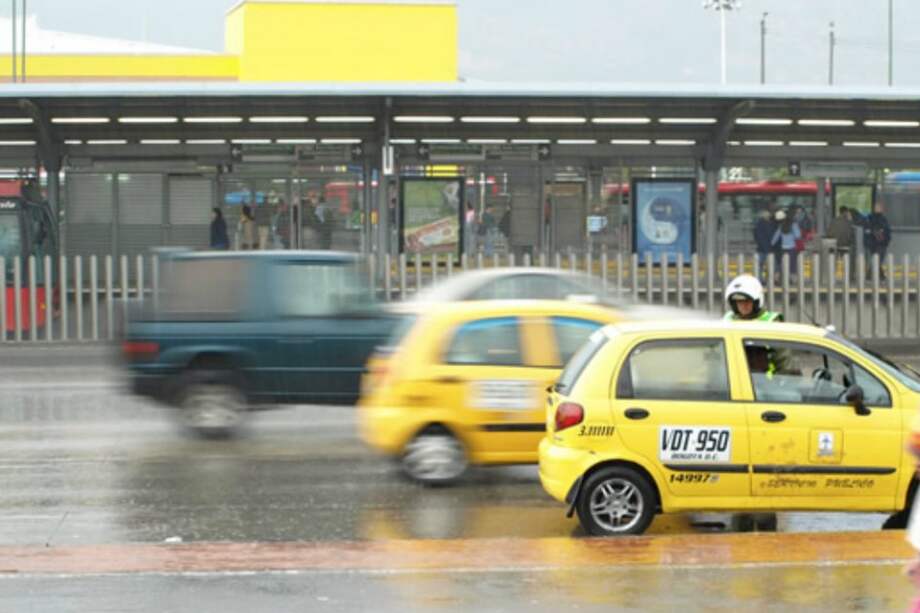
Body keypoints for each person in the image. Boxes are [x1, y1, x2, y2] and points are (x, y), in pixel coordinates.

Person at [863, 201, 892, 280]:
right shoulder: (877, 219)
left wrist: (887, 240)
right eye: (878, 207)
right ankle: (869, 276)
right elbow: (886, 231)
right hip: (877, 243)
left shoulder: (877, 218)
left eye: (880, 207)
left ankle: (880, 276)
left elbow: (887, 231)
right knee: (877, 260)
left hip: (878, 243)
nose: (880, 209)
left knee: (877, 259)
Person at [827, 207, 856, 280]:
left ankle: (831, 277)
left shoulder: (833, 221)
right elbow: (851, 235)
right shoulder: (848, 222)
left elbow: (829, 233)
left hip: (834, 244)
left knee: (833, 261)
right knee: (847, 262)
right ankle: (848, 277)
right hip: (845, 245)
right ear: (846, 212)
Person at [771, 210, 801, 279]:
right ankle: (792, 279)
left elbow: (776, 237)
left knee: (782, 264)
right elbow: (798, 235)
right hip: (792, 248)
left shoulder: (781, 226)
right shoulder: (793, 224)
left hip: (783, 248)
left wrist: (772, 244)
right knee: (792, 265)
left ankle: (777, 277)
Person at [752, 209, 775, 281]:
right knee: (769, 266)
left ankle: (759, 279)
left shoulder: (758, 225)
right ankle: (769, 280)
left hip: (760, 248)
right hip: (767, 248)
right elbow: (770, 236)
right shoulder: (769, 224)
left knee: (760, 266)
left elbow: (756, 236)